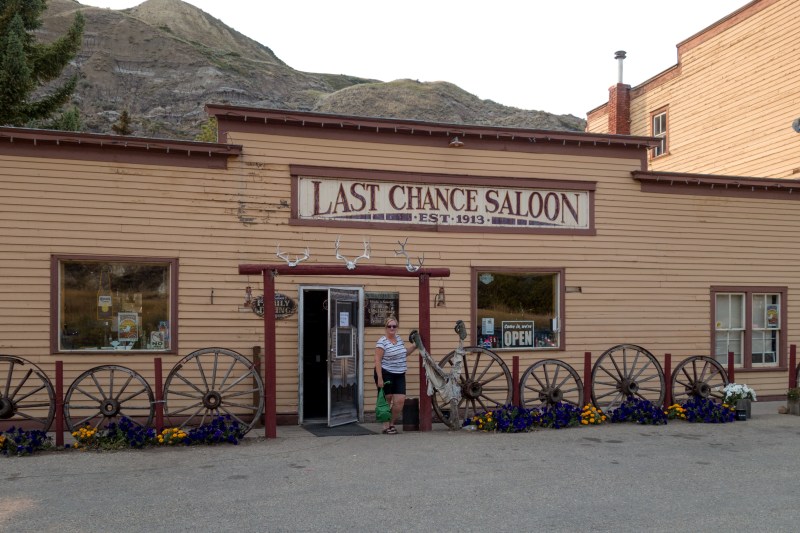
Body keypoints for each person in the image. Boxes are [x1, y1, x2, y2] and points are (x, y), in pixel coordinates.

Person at [374, 316, 417, 434]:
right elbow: (377, 360)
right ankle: (385, 426)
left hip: (399, 373)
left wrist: (414, 346)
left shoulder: (399, 339)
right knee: (387, 398)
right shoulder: (382, 342)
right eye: (389, 326)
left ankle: (392, 423)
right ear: (386, 328)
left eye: (394, 326)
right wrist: (380, 378)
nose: (392, 328)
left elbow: (404, 354)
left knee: (400, 400)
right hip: (385, 372)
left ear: (397, 327)